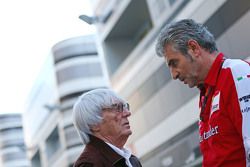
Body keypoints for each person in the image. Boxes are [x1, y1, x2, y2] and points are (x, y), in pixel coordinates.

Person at [155, 19, 250, 166]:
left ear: (194, 48)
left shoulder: (236, 73)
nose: (173, 75)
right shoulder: (206, 92)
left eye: (174, 63)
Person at [72, 88, 142, 167]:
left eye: (125, 106)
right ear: (94, 124)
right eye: (117, 108)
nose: (127, 113)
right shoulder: (88, 164)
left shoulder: (132, 160)